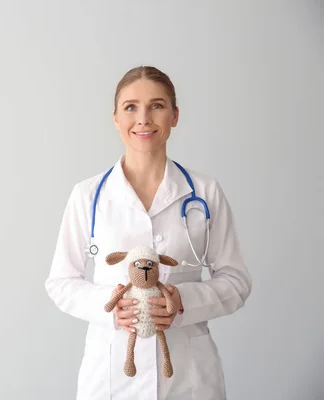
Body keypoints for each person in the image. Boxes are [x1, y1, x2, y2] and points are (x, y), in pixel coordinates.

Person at [44, 66, 252, 400]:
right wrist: (110, 306)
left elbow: (236, 281)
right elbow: (60, 282)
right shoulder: (87, 195)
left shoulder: (204, 192)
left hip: (189, 377)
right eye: (130, 107)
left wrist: (185, 302)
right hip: (110, 375)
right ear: (115, 118)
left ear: (175, 115)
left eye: (157, 105)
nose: (143, 118)